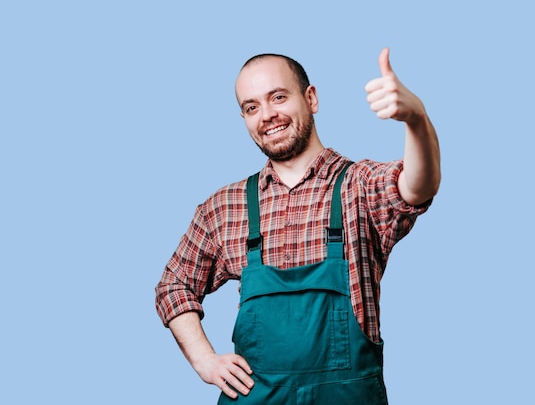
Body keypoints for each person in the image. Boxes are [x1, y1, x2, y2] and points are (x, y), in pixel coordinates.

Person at [155, 48, 441, 404]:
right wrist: (204, 361)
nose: (267, 115)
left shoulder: (360, 186)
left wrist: (416, 119)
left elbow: (416, 186)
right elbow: (173, 286)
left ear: (311, 98)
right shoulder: (225, 207)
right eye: (251, 107)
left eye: (278, 97)